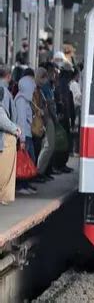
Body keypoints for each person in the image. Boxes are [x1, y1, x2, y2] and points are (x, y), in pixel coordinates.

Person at [0, 64, 21, 204]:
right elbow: (0, 116)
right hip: (4, 136)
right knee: (4, 170)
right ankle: (3, 197)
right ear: (8, 76)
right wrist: (14, 129)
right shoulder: (3, 91)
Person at [15, 71, 37, 195]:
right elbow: (21, 121)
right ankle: (21, 185)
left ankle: (25, 184)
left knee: (29, 159)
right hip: (24, 135)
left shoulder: (25, 100)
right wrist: (22, 139)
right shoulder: (21, 101)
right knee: (25, 160)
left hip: (27, 134)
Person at [37, 63, 57, 178]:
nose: (54, 74)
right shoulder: (43, 87)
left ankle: (43, 170)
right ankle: (39, 171)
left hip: (49, 117)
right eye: (52, 72)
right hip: (46, 118)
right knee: (48, 145)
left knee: (48, 146)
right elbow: (47, 104)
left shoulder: (49, 86)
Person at [54, 65, 75, 172]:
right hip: (63, 118)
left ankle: (60, 164)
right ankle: (60, 164)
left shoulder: (61, 85)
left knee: (62, 142)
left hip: (61, 117)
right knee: (63, 142)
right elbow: (67, 105)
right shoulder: (64, 87)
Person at [32, 67, 48, 164]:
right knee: (35, 148)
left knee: (38, 148)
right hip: (34, 125)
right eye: (44, 78)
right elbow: (34, 106)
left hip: (39, 124)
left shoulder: (39, 90)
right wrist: (40, 111)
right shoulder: (33, 90)